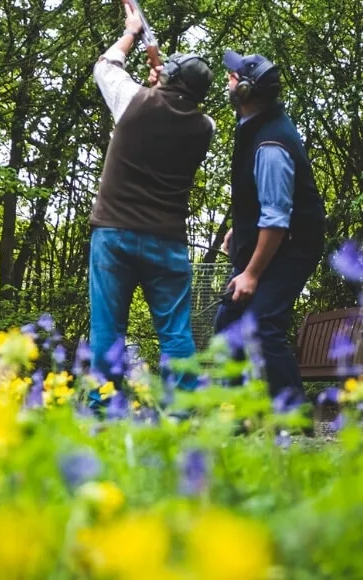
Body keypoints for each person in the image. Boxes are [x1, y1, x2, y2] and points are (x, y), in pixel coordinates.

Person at [88, 3, 215, 407]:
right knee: (176, 334)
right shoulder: (205, 129)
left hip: (114, 235)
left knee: (108, 331)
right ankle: (184, 414)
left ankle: (103, 412)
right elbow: (182, 107)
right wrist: (163, 82)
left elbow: (106, 66)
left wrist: (130, 32)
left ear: (168, 78)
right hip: (168, 242)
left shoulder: (131, 100)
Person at [214, 50, 326, 401]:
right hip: (273, 237)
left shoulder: (271, 145)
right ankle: (237, 420)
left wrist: (251, 273)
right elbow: (260, 200)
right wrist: (242, 227)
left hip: (292, 247)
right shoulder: (254, 126)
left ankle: (297, 425)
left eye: (232, 77)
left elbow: (277, 219)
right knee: (228, 326)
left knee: (263, 327)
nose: (227, 80)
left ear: (246, 90)